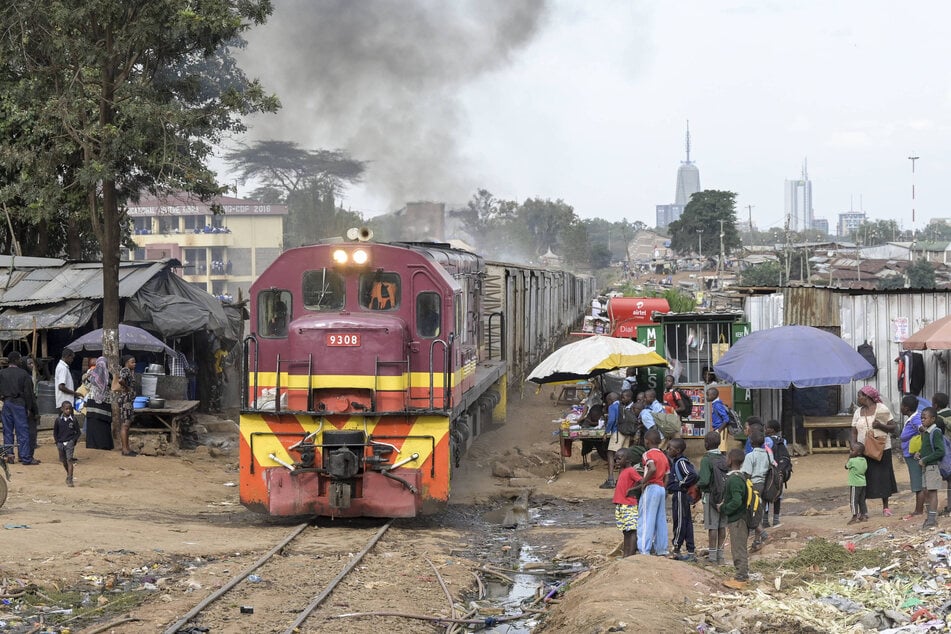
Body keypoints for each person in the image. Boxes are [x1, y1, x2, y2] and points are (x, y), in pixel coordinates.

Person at [850, 385, 898, 517]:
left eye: (860, 395)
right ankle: (863, 509)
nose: (858, 398)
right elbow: (853, 431)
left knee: (884, 478)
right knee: (864, 478)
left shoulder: (881, 408)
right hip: (863, 450)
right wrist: (853, 444)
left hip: (881, 449)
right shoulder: (858, 412)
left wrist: (880, 425)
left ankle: (886, 507)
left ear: (867, 397)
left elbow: (893, 427)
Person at [719, 448, 751, 590]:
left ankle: (741, 577)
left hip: (738, 519)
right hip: (740, 518)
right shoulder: (740, 476)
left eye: (727, 458)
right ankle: (740, 574)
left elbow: (737, 501)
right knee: (738, 547)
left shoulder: (734, 480)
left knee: (738, 548)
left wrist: (724, 508)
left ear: (731, 460)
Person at [0, 351, 39, 465]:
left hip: (6, 403)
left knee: (7, 431)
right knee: (22, 432)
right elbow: (29, 394)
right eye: (20, 359)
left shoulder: (2, 373)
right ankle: (25, 457)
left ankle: (9, 457)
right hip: (19, 404)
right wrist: (31, 409)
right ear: (17, 360)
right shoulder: (23, 374)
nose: (21, 361)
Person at [637, 428, 670, 556]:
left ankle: (644, 549)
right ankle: (662, 549)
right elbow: (667, 475)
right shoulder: (663, 455)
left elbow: (652, 468)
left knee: (646, 519)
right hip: (661, 488)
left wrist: (643, 482)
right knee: (660, 519)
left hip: (651, 487)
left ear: (647, 441)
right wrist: (664, 487)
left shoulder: (647, 454)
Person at [698, 430, 727, 565]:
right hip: (724, 497)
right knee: (722, 526)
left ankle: (712, 557)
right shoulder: (724, 458)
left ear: (706, 444)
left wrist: (697, 486)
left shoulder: (706, 460)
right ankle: (720, 555)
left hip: (710, 497)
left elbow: (704, 481)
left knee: (712, 527)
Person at [667, 437, 698, 561]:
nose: (668, 450)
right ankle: (690, 551)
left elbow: (692, 474)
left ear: (678, 450)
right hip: (681, 495)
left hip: (680, 495)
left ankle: (676, 548)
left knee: (679, 521)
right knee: (686, 521)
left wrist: (681, 484)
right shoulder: (677, 461)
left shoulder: (680, 462)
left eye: (670, 448)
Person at [741, 428, 771, 552]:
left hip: (753, 486)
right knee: (759, 513)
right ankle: (756, 542)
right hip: (766, 486)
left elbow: (746, 474)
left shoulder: (750, 456)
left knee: (750, 514)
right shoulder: (768, 454)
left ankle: (763, 535)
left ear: (751, 443)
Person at [612, 447, 642, 557]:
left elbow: (642, 482)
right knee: (625, 530)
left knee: (631, 530)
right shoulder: (623, 471)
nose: (617, 461)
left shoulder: (631, 471)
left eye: (619, 459)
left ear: (628, 460)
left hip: (629, 504)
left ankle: (631, 554)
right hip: (621, 505)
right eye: (616, 459)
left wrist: (632, 490)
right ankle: (626, 554)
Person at [899, 394, 925, 520]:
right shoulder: (913, 417)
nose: (900, 408)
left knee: (917, 483)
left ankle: (919, 510)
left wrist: (920, 450)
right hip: (910, 454)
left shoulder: (915, 420)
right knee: (918, 482)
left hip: (913, 455)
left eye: (902, 406)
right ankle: (920, 508)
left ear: (906, 408)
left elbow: (923, 430)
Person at [918, 406, 945, 529]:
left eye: (925, 418)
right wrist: (919, 453)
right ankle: (929, 516)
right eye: (921, 418)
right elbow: (927, 448)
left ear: (933, 419)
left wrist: (925, 459)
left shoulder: (936, 432)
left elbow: (940, 451)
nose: (922, 420)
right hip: (926, 467)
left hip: (932, 467)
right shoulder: (926, 432)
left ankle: (932, 519)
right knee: (926, 491)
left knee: (932, 492)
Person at [85, 357, 114, 451]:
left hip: (92, 402)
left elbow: (86, 385)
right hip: (104, 404)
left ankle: (92, 444)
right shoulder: (108, 375)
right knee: (103, 425)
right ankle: (104, 444)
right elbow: (111, 386)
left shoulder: (91, 374)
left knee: (93, 425)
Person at [764, 419, 787, 527]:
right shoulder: (783, 441)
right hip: (780, 472)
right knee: (778, 495)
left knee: (766, 494)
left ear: (771, 430)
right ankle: (776, 519)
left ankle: (765, 520)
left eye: (767, 427)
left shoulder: (767, 440)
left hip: (769, 472)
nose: (765, 429)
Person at [54, 400, 81, 487]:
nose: (68, 411)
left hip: (69, 442)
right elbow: (55, 432)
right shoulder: (58, 420)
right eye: (66, 409)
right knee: (64, 461)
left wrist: (73, 441)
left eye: (70, 409)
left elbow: (78, 432)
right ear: (62, 409)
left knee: (69, 460)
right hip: (61, 443)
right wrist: (57, 442)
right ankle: (68, 474)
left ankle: (70, 478)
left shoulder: (73, 420)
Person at [115, 355, 138, 457]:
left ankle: (127, 448)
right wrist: (127, 388)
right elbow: (120, 380)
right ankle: (125, 449)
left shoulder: (129, 371)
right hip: (126, 401)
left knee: (127, 424)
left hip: (128, 400)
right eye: (132, 362)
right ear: (127, 363)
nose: (134, 364)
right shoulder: (125, 370)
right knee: (125, 424)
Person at [600, 392, 623, 489]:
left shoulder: (612, 406)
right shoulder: (623, 405)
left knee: (610, 454)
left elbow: (611, 420)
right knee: (623, 456)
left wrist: (606, 432)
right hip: (626, 432)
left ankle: (610, 480)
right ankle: (621, 481)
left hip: (617, 433)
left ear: (610, 400)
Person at [933, 392, 951, 515]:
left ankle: (949, 506)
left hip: (947, 452)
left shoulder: (938, 419)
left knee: (949, 479)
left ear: (935, 405)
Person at [845, 442, 868, 524]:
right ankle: (864, 515)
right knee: (862, 500)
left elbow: (846, 466)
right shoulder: (864, 460)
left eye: (852, 450)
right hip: (863, 483)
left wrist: (849, 457)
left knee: (853, 500)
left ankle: (854, 516)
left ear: (858, 452)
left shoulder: (852, 460)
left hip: (855, 483)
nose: (850, 451)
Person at [55, 348, 77, 417]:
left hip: (64, 404)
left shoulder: (62, 367)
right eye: (72, 358)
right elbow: (61, 387)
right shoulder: (63, 368)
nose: (72, 360)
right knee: (67, 425)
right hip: (65, 404)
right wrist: (75, 393)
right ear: (67, 356)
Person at [707, 386, 730, 451]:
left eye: (708, 395)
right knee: (719, 449)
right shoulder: (715, 404)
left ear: (713, 395)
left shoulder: (717, 405)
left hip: (721, 430)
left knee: (722, 449)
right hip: (718, 429)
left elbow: (726, 419)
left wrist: (719, 430)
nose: (706, 397)